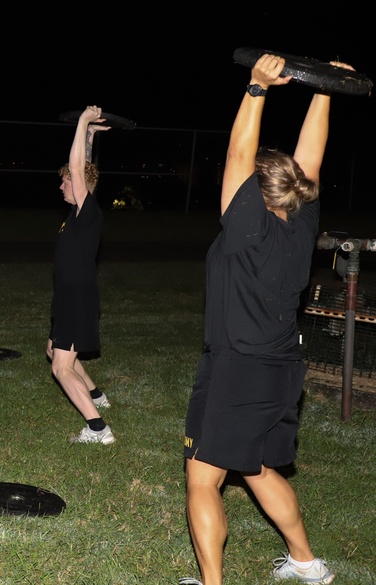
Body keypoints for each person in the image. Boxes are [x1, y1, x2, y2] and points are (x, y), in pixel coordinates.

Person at [180, 53, 351, 585]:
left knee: (202, 479)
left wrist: (256, 88)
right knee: (254, 468)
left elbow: (237, 151)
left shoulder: (246, 225)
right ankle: (307, 563)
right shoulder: (302, 222)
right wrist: (326, 88)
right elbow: (312, 160)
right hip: (280, 371)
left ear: (253, 194)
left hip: (237, 369)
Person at [49, 106, 114, 445]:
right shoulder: (78, 213)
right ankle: (96, 394)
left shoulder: (88, 212)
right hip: (68, 297)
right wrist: (88, 137)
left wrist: (81, 121)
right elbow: (83, 168)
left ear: (76, 185)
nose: (61, 185)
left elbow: (78, 169)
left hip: (76, 297)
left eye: (64, 181)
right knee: (54, 352)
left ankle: (97, 428)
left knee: (61, 367)